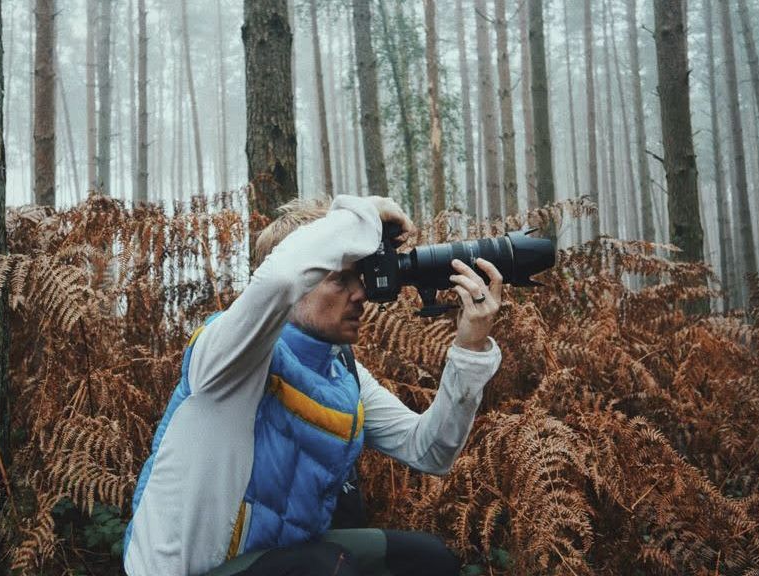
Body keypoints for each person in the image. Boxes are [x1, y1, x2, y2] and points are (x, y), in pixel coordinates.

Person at [123, 195, 503, 576]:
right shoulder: (227, 357)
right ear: (303, 280)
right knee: (325, 567)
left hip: (280, 561)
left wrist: (469, 350)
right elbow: (281, 277)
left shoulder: (343, 373)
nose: (360, 294)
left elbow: (431, 451)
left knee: (426, 558)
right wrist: (363, 215)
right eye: (340, 279)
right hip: (192, 571)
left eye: (361, 278)